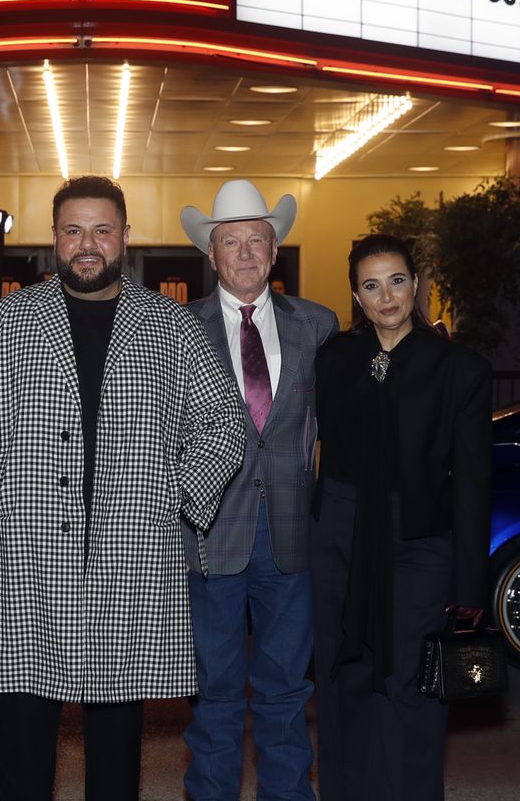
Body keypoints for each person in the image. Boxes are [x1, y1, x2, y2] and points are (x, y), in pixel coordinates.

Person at [0, 175, 244, 801]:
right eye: (74, 230)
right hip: (28, 551)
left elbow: (222, 422)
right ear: (55, 237)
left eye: (102, 230)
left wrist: (178, 497)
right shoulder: (5, 320)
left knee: (117, 740)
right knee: (24, 730)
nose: (88, 244)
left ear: (126, 236)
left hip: (131, 550)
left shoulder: (172, 325)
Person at [310, 234, 492, 801]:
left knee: (408, 685)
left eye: (396, 281)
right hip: (339, 537)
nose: (386, 296)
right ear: (356, 296)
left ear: (415, 285)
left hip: (418, 541)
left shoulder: (459, 369)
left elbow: (472, 482)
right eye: (371, 285)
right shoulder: (334, 360)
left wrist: (469, 585)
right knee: (342, 679)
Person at [175, 181, 340, 801]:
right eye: (231, 242)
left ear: (274, 253)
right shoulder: (177, 329)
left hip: (293, 537)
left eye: (256, 240)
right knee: (214, 692)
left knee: (286, 690)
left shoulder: (318, 325)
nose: (244, 253)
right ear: (211, 254)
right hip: (208, 536)